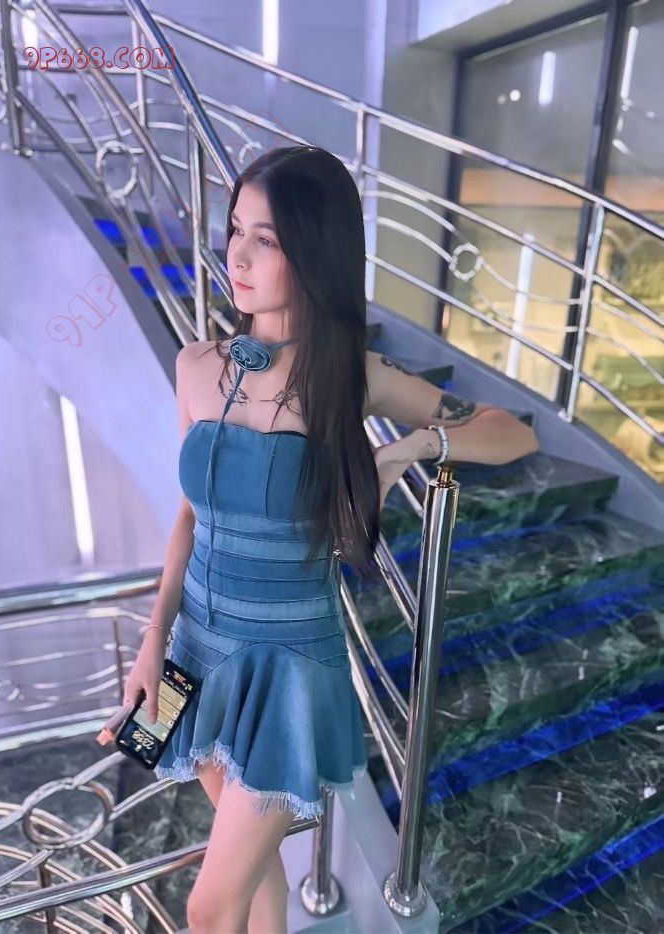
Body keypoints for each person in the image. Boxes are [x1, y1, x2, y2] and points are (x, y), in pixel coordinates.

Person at [121, 144, 537, 933]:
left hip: (288, 666)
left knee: (209, 905)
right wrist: (152, 645)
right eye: (235, 230)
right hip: (197, 649)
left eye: (267, 239)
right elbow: (189, 516)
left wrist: (413, 448)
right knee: (256, 879)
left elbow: (512, 432)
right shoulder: (196, 365)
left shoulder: (352, 374)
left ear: (314, 251)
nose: (237, 256)